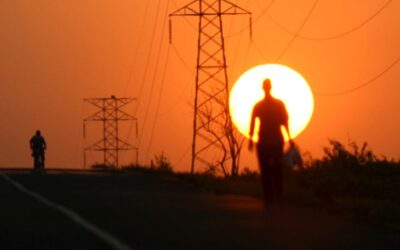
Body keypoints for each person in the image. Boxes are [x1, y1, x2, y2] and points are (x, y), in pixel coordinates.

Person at [248, 79, 292, 205]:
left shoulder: (260, 105)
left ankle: (271, 197)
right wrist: (289, 138)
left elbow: (252, 123)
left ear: (264, 88)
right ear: (270, 87)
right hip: (273, 140)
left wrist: (251, 139)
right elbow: (285, 122)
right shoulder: (278, 104)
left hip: (266, 140)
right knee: (275, 169)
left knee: (267, 170)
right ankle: (276, 195)